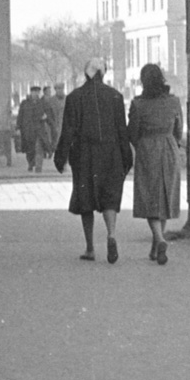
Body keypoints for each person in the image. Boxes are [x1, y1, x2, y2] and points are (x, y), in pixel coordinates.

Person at [54, 57, 133, 263]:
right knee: (109, 196)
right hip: (111, 153)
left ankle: (90, 247)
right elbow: (121, 130)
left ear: (85, 73)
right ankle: (111, 234)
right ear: (103, 73)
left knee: (86, 198)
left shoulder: (74, 97)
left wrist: (60, 156)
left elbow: (68, 130)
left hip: (84, 154)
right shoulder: (115, 96)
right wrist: (127, 156)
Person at [128, 63, 184, 265]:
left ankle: (159, 240)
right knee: (165, 196)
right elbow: (179, 131)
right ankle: (156, 246)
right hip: (169, 148)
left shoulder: (138, 104)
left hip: (147, 149)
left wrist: (143, 143)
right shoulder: (174, 102)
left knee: (150, 196)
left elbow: (132, 133)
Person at [16, 86, 48, 172]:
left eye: (37, 92)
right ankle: (31, 163)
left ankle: (38, 166)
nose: (36, 94)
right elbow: (20, 116)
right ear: (31, 92)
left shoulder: (42, 103)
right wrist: (18, 128)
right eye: (34, 92)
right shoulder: (24, 103)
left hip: (38, 131)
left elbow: (48, 113)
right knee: (29, 150)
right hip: (27, 130)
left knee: (38, 148)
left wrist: (45, 117)